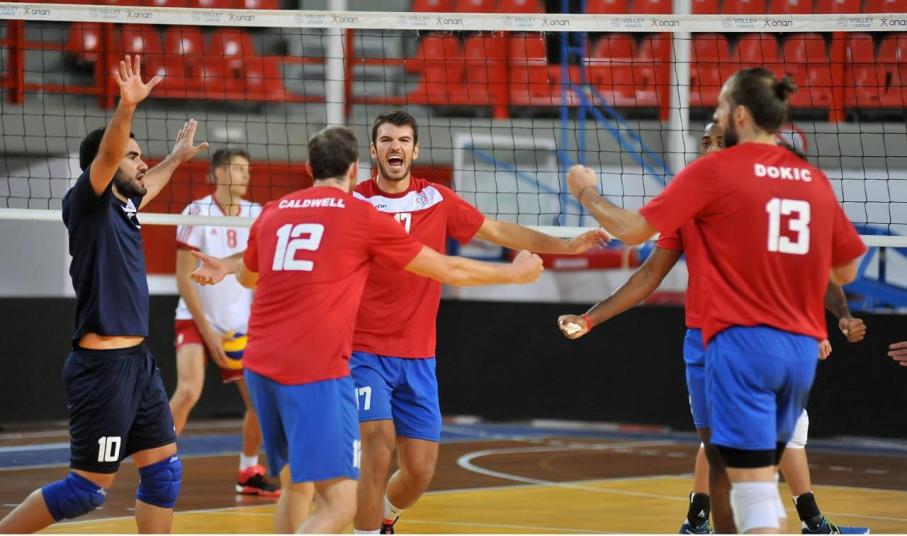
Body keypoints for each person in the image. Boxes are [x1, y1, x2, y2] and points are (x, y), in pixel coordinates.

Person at [189, 126, 544, 533]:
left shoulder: (273, 211)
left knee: (295, 486)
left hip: (260, 364)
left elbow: (248, 276)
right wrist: (514, 274)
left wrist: (228, 265)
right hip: (315, 367)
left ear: (308, 168)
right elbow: (448, 268)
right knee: (341, 504)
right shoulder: (360, 216)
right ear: (355, 169)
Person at [565, 68, 866, 533]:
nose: (715, 119)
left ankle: (756, 520)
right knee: (743, 468)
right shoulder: (809, 178)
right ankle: (748, 519)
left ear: (739, 115)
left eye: (721, 107)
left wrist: (584, 189)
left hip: (738, 342)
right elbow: (844, 270)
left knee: (747, 486)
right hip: (797, 349)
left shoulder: (714, 174)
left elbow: (631, 231)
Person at [351, 110, 608, 534]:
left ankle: (384, 517)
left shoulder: (436, 199)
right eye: (386, 140)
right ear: (374, 150)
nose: (395, 146)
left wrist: (564, 245)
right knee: (377, 446)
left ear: (415, 150)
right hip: (363, 351)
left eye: (403, 140)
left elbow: (498, 230)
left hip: (417, 356)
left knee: (419, 472)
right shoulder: (355, 203)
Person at [0, 55, 207, 534]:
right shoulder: (87, 201)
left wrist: (176, 158)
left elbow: (148, 186)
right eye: (133, 156)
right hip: (103, 370)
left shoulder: (124, 206)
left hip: (138, 363)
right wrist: (126, 107)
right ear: (106, 163)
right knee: (86, 491)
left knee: (163, 475)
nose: (142, 162)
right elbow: (110, 156)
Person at [168, 148, 278, 497]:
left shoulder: (256, 214)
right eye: (238, 169)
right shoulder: (196, 211)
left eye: (248, 169)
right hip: (195, 317)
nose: (246, 175)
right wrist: (207, 331)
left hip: (240, 326)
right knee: (188, 391)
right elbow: (184, 277)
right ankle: (157, 466)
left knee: (259, 404)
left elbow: (259, 272)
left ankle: (248, 470)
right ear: (218, 173)